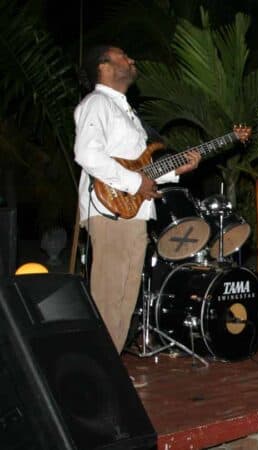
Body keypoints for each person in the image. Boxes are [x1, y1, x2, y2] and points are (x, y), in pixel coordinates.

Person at [73, 45, 200, 354]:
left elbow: (141, 166)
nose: (131, 59)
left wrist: (174, 171)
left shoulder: (125, 111)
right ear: (103, 66)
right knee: (108, 296)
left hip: (136, 212)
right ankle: (99, 369)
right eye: (123, 57)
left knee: (125, 298)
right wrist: (134, 182)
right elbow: (86, 153)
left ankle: (111, 366)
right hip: (111, 211)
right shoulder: (97, 103)